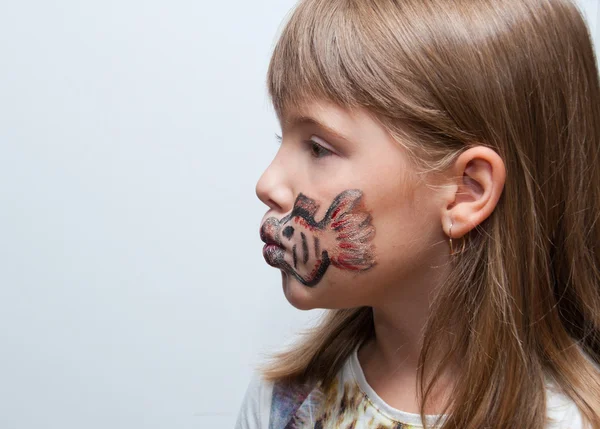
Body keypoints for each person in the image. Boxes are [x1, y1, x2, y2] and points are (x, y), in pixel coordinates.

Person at [235, 0, 600, 427]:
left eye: (318, 148)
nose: (268, 182)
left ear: (467, 191)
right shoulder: (287, 404)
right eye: (283, 137)